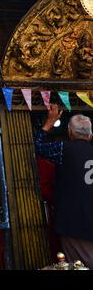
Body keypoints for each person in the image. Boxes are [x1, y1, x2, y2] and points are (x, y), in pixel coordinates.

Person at [34, 104, 93, 269]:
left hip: (74, 224)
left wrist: (49, 122)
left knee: (77, 266)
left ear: (69, 133)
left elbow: (36, 147)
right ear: (90, 135)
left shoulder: (63, 149)